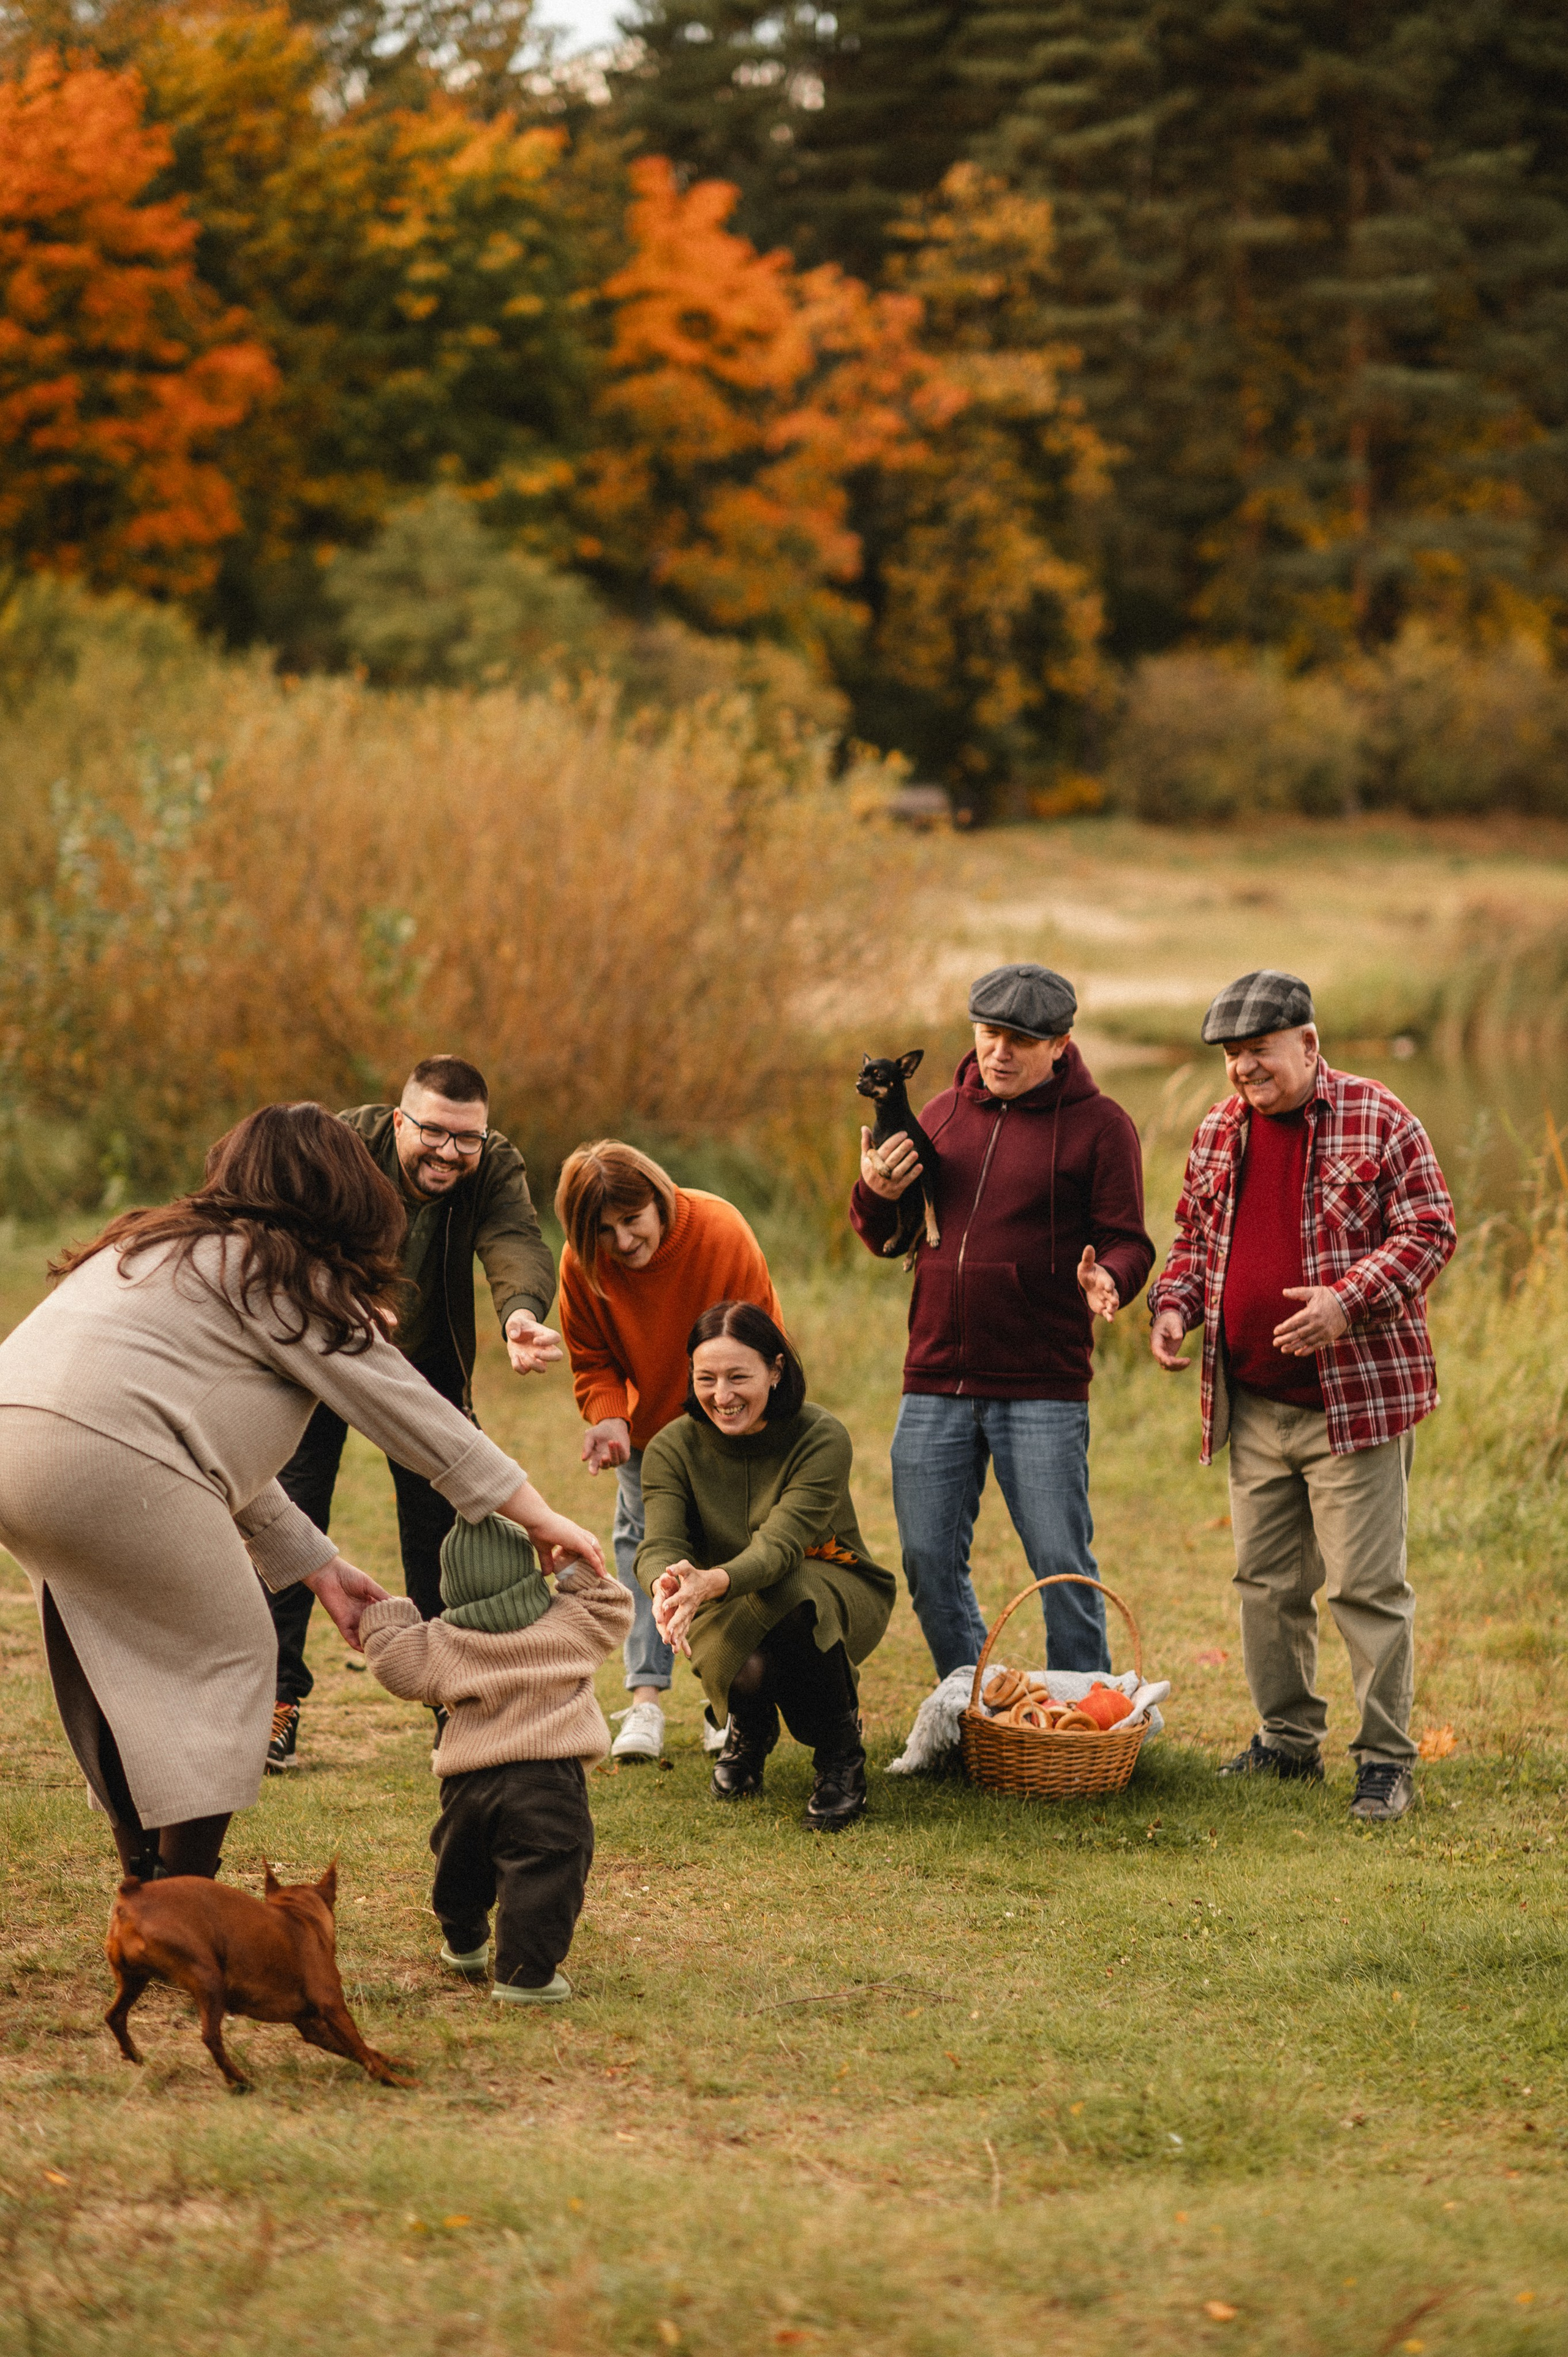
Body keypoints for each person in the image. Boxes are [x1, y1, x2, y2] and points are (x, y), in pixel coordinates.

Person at [0, 1103, 604, 1884]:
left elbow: (199, 1448)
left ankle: (145, 1888)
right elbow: (415, 1412)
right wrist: (540, 1515)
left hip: (21, 1449)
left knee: (108, 1661)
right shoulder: (280, 1270)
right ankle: (185, 1898)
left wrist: (319, 1566)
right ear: (344, 1191)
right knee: (236, 1655)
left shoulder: (160, 1245)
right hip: (111, 1460)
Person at [1147, 970, 1457, 1823]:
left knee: (1365, 1587)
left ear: (1309, 1044)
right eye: (1232, 1057)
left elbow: (1431, 1229)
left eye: (1260, 1052)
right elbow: (1192, 1240)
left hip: (1352, 1404)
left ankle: (1387, 1762)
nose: (1245, 1069)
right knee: (1267, 1585)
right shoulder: (1218, 1131)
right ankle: (1286, 1744)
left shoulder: (1379, 1115)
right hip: (1251, 1402)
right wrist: (1172, 1307)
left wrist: (1344, 1301)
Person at [850, 963, 1155, 1681]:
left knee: (1059, 1563)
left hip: (1041, 1383)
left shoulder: (1102, 1126)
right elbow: (890, 1234)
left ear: (1061, 1043)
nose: (1000, 1052)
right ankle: (973, 1702)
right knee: (927, 1560)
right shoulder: (939, 1114)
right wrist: (871, 1192)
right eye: (990, 1034)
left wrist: (1109, 1276)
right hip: (934, 1377)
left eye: (1021, 1039)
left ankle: (1084, 1708)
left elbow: (1129, 1239)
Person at [266, 1054, 559, 1771]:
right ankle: (273, 1699)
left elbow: (515, 1237)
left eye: (467, 1138)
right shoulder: (340, 1147)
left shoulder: (491, 1164)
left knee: (447, 1528)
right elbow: (280, 1235)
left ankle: (450, 1698)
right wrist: (335, 1296)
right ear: (400, 1119)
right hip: (323, 1352)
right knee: (290, 1517)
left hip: (422, 1365)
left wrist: (520, 1314)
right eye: (434, 1132)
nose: (450, 1151)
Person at [556, 1141, 785, 1764]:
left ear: (655, 1198)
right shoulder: (582, 1264)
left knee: (732, 1552)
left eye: (632, 1221)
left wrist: (739, 1423)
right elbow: (592, 1356)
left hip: (734, 1419)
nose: (623, 1241)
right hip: (651, 1434)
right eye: (604, 1231)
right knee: (645, 1548)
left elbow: (761, 1342)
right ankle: (646, 1701)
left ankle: (728, 1704)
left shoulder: (719, 1230)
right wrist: (609, 1417)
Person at [637, 1301, 895, 1830]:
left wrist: (709, 1582)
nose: (722, 1395)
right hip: (720, 1596)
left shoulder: (821, 1436)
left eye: (739, 1377)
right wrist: (668, 1584)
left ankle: (841, 1757)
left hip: (830, 1583)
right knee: (749, 1663)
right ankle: (749, 1731)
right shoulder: (671, 1448)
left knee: (789, 1589)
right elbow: (659, 1543)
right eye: (706, 1378)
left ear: (776, 1370)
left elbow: (780, 1548)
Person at [360, 1513, 632, 2005]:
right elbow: (614, 1605)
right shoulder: (570, 1623)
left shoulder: (441, 1643)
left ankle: (464, 1942)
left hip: (469, 1780)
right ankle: (525, 1976)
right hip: (550, 1778)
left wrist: (388, 1615)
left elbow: (394, 1661)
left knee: (461, 1861)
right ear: (531, 1572)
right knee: (546, 1872)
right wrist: (571, 1567)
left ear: (449, 1588)